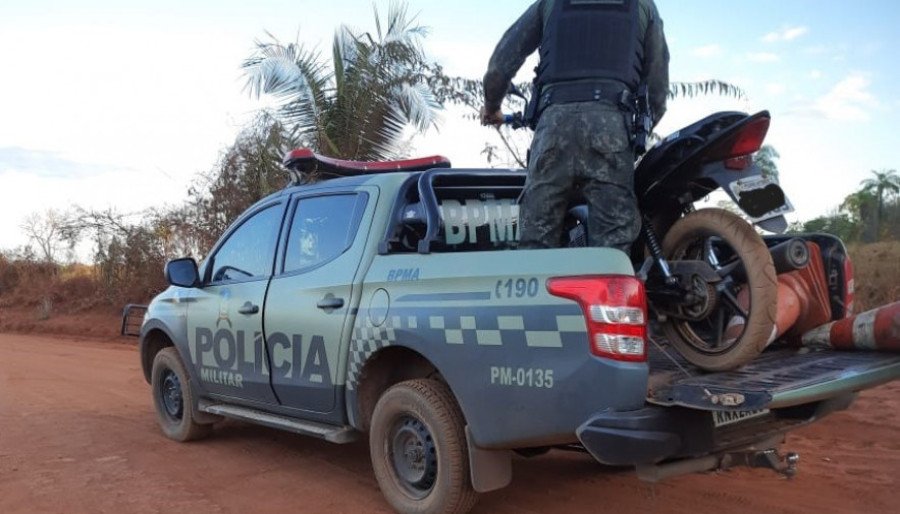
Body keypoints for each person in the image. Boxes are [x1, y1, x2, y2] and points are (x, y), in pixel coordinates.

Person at [481, 0, 669, 253]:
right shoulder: (643, 5)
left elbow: (500, 65)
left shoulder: (550, 4)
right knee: (613, 248)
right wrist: (636, 130)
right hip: (612, 126)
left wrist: (492, 106)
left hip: (553, 127)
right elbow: (657, 82)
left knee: (535, 238)